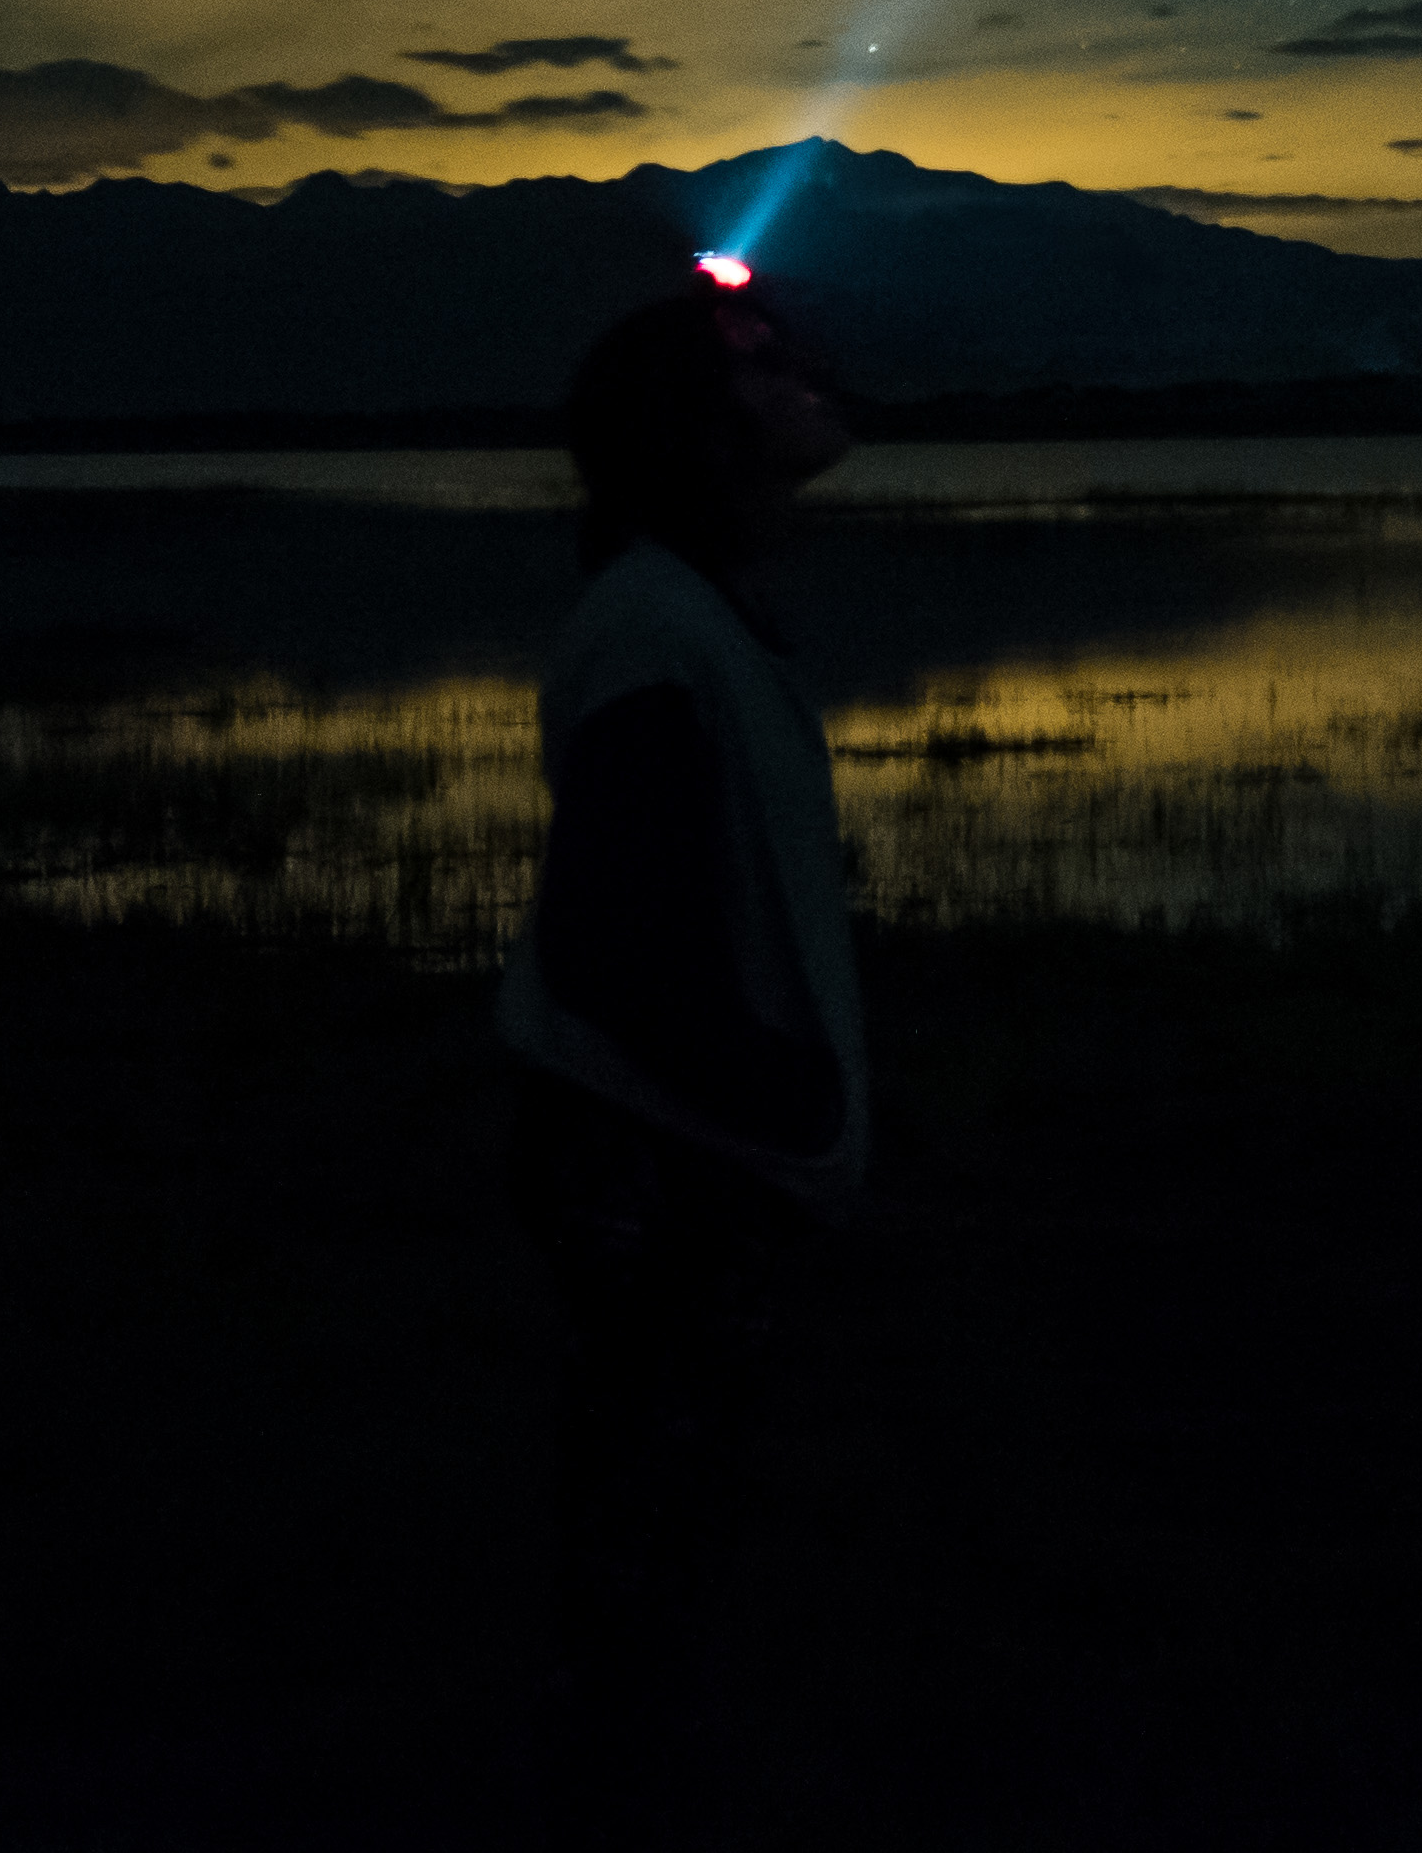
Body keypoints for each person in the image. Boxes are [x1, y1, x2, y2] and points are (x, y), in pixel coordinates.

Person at [500, 269, 871, 1839]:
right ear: (705, 433)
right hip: (655, 1146)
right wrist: (771, 1090)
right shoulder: (659, 625)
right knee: (657, 1471)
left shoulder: (685, 608)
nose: (800, 378)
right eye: (761, 368)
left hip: (678, 1137)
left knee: (670, 1460)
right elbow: (606, 940)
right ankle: (629, 1774)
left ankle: (638, 1747)